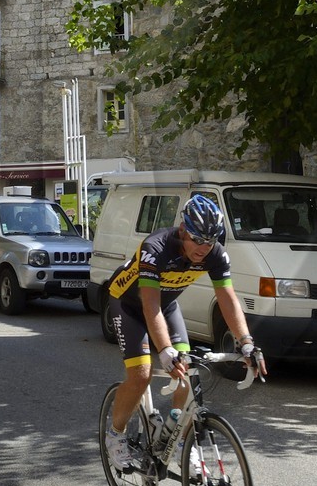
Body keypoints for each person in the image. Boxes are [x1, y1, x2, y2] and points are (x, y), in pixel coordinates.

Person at [103, 193, 266, 468]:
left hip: (166, 305)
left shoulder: (215, 253)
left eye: (210, 240)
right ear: (183, 231)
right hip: (129, 304)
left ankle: (176, 439)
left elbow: (227, 298)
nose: (204, 247)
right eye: (198, 240)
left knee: (187, 371)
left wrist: (246, 342)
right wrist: (165, 351)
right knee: (141, 375)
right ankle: (115, 436)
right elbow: (149, 304)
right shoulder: (155, 248)